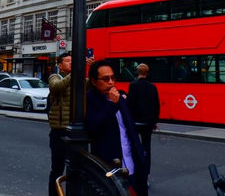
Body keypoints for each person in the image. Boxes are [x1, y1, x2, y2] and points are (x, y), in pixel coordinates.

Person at [86, 60, 148, 196]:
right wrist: (112, 105)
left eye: (113, 78)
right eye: (105, 79)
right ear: (94, 81)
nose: (111, 82)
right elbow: (93, 128)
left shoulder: (120, 97)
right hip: (110, 166)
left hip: (131, 165)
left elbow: (129, 130)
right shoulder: (90, 99)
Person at [127, 63, 160, 182]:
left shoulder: (133, 86)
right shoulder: (152, 87)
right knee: (147, 148)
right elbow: (156, 105)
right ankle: (146, 175)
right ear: (147, 72)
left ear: (137, 72)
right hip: (148, 122)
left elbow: (129, 105)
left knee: (134, 147)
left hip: (136, 122)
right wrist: (155, 121)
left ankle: (135, 172)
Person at [47, 52, 72, 196]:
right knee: (57, 169)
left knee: (75, 169)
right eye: (68, 61)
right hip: (59, 132)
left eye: (73, 61)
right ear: (60, 65)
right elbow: (57, 87)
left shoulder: (77, 78)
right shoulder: (54, 77)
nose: (71, 63)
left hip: (74, 132)